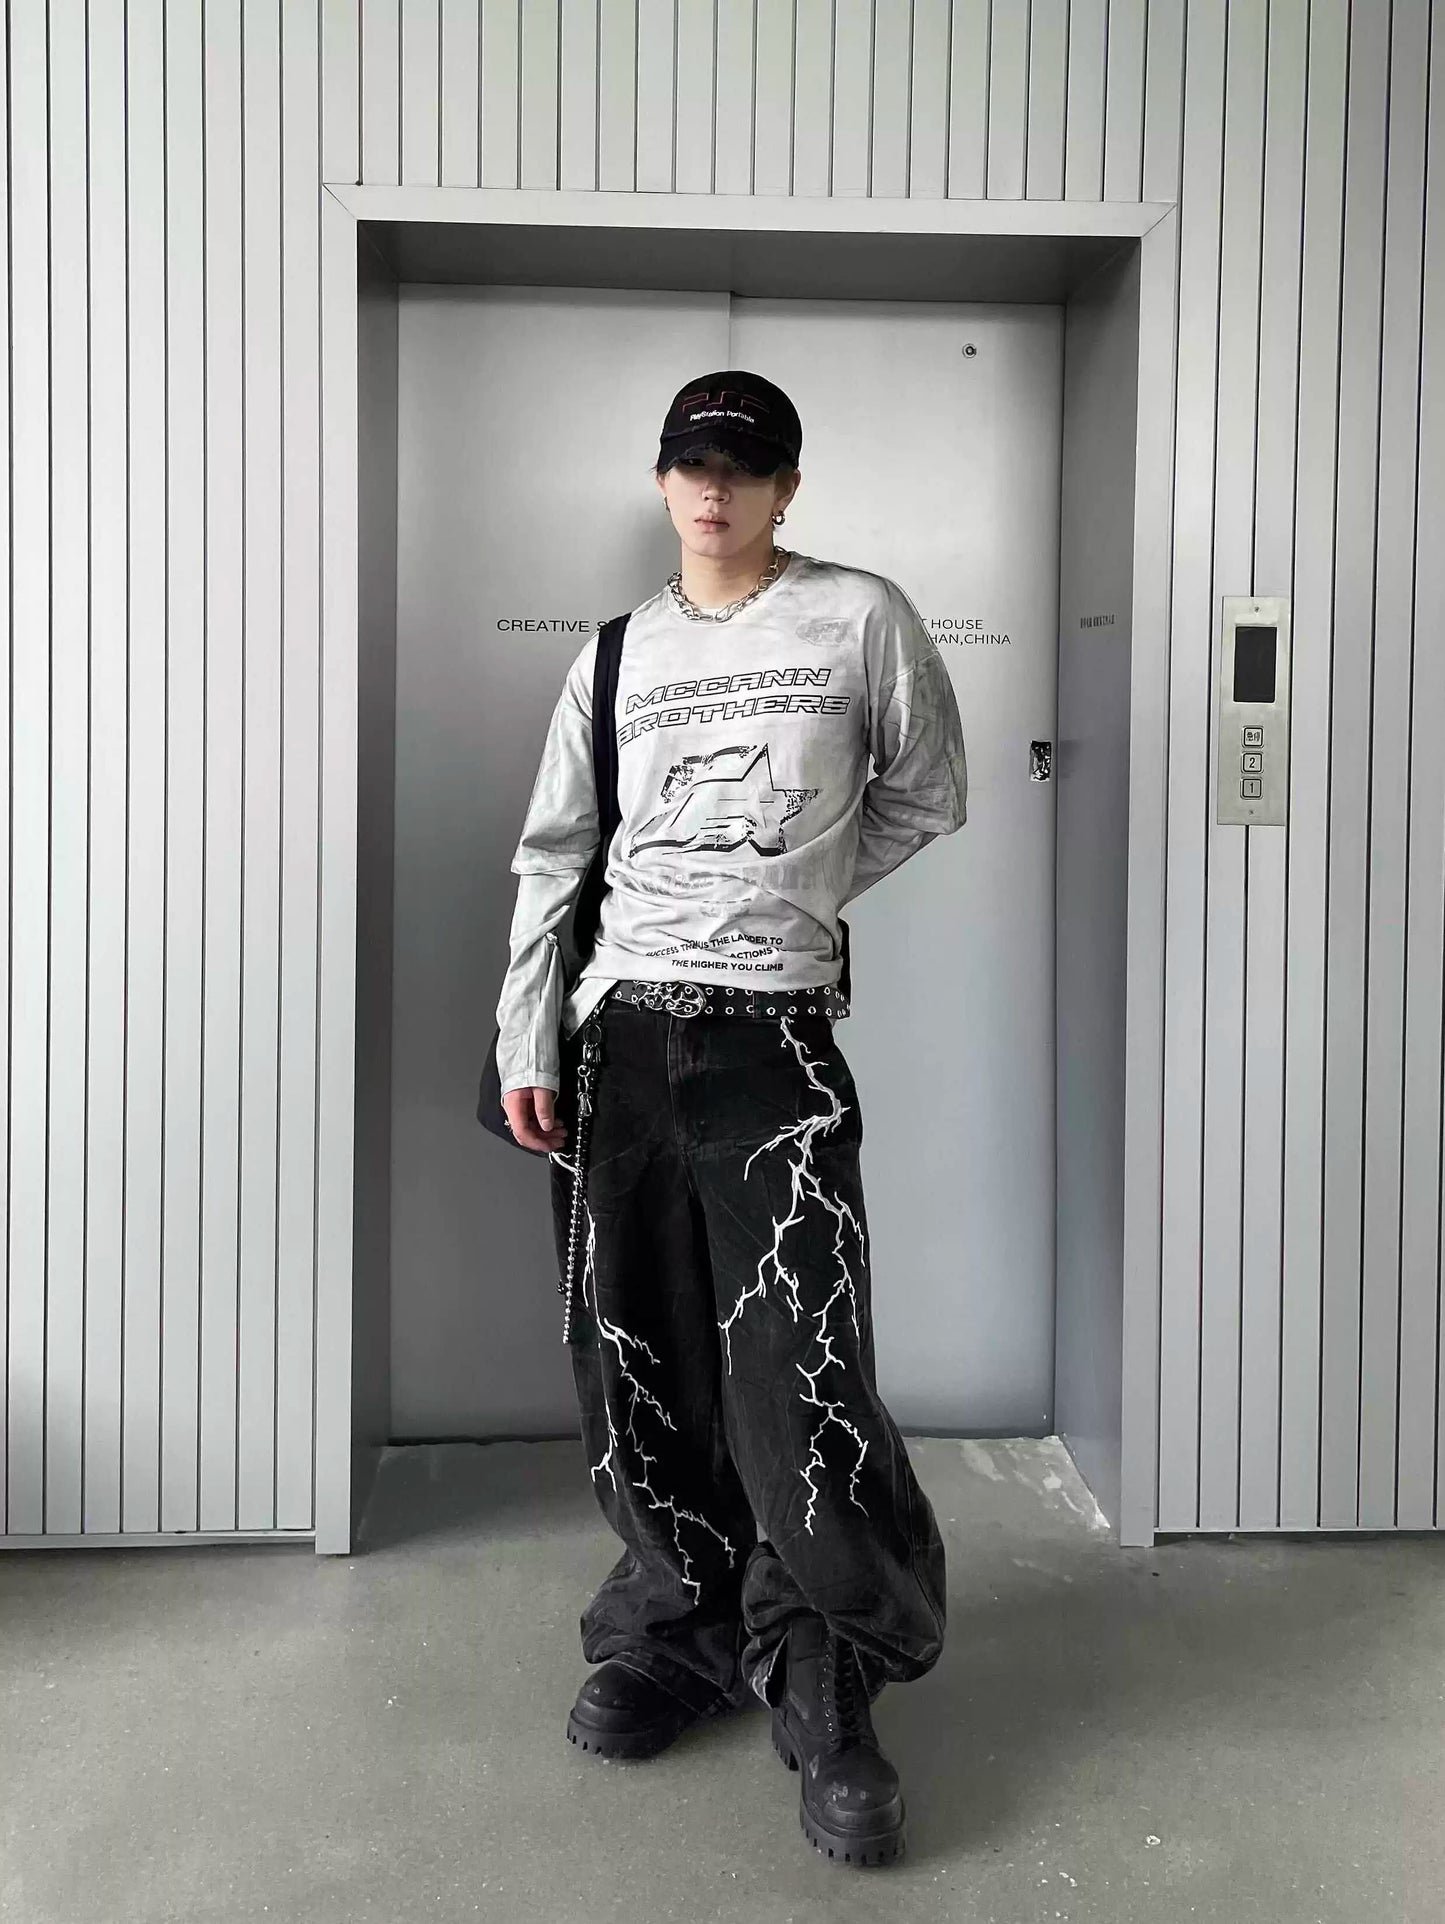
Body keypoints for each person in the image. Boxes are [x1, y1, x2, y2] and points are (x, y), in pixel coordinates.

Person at [491, 370, 968, 1867]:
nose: (715, 489)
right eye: (693, 464)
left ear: (785, 488)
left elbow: (925, 794)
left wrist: (790, 896)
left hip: (774, 1045)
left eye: (744, 467)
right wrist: (526, 1031)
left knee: (797, 1368)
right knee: (636, 1353)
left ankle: (827, 1664)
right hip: (621, 1039)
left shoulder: (858, 618)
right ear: (662, 480)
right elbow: (556, 852)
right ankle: (678, 1628)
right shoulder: (615, 654)